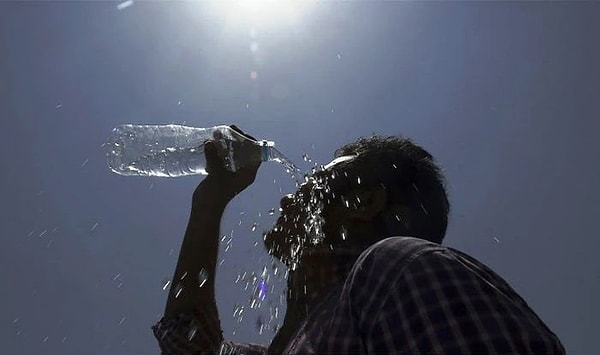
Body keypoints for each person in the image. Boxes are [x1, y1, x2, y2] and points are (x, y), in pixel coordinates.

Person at [152, 127, 565, 354]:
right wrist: (210, 200)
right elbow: (188, 343)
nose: (288, 196)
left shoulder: (400, 269)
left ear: (364, 202)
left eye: (315, 182)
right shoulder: (298, 338)